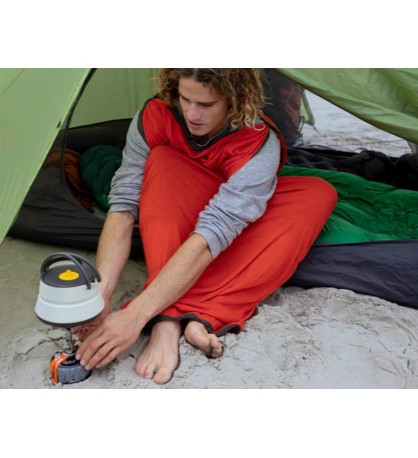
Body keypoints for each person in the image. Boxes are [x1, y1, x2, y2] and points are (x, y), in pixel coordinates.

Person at [74, 69, 337, 384]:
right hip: (175, 200)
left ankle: (172, 317)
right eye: (185, 99)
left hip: (221, 216)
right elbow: (123, 207)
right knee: (162, 159)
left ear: (235, 100)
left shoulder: (258, 141)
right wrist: (100, 295)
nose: (192, 114)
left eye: (207, 104)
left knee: (317, 195)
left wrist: (136, 314)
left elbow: (213, 232)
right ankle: (184, 319)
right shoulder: (155, 116)